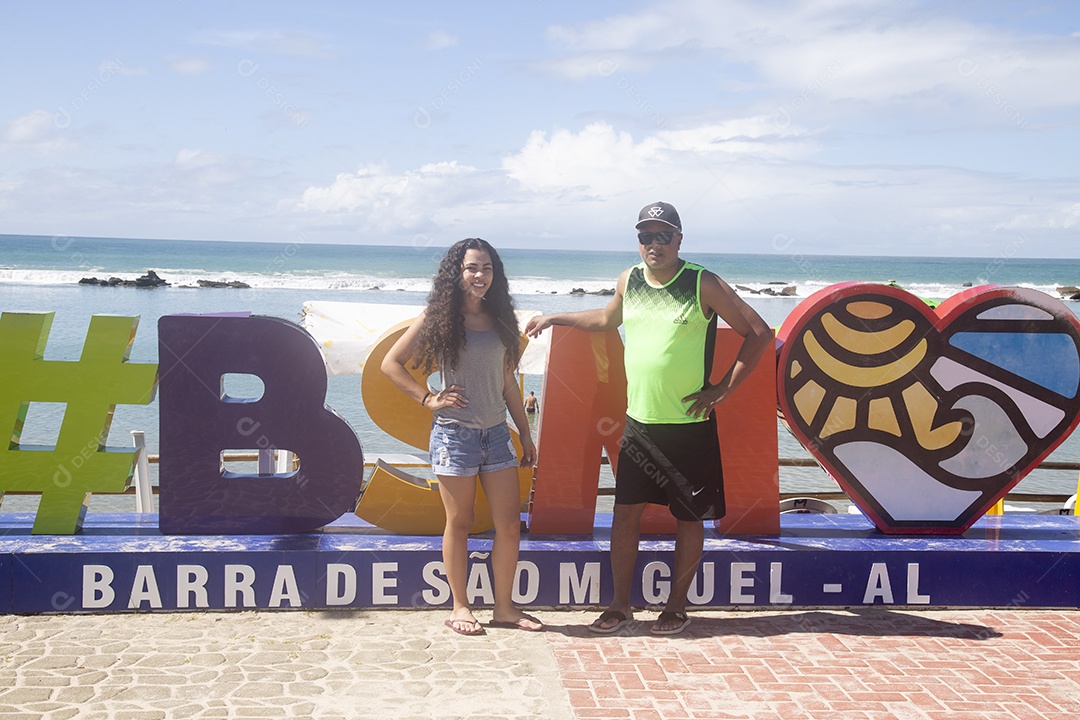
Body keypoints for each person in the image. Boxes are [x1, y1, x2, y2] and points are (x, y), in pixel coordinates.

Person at [525, 202, 772, 635]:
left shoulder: (702, 282)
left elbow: (759, 332)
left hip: (689, 426)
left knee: (689, 519)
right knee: (624, 515)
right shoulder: (630, 279)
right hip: (639, 424)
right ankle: (620, 606)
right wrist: (554, 316)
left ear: (679, 239)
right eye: (646, 236)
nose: (654, 244)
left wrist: (722, 390)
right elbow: (606, 318)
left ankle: (676, 608)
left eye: (663, 235)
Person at [382, 238, 542, 636]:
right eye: (472, 268)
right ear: (457, 273)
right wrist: (428, 399)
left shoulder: (500, 318)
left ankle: (504, 608)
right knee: (461, 522)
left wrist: (525, 433)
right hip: (454, 436)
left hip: (497, 436)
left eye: (486, 268)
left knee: (509, 525)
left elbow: (506, 382)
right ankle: (460, 607)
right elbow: (391, 363)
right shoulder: (439, 317)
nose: (479, 275)